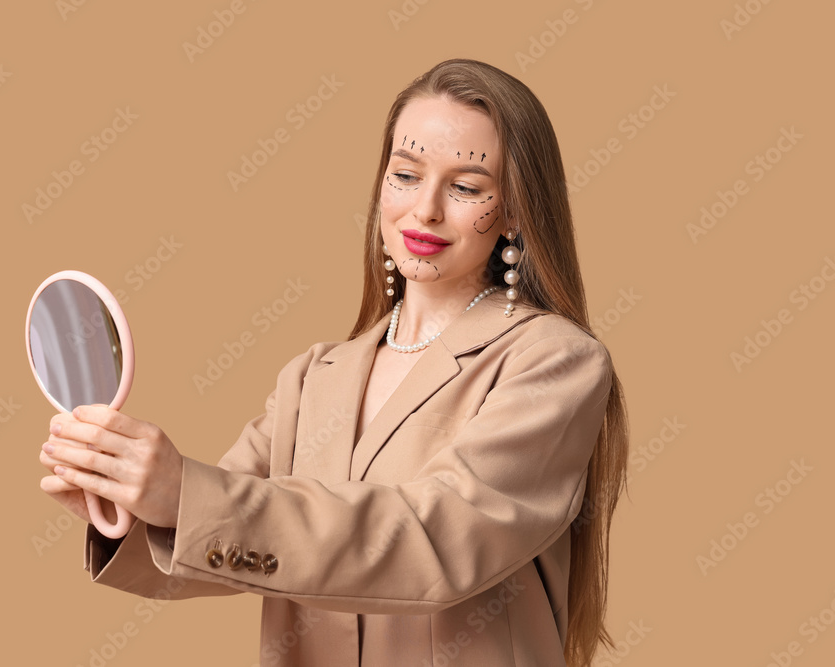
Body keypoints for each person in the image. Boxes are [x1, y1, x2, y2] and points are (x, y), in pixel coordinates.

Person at [39, 58, 630, 667]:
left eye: (466, 187)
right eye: (406, 175)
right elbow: (230, 539)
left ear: (515, 210)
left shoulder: (553, 361)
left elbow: (438, 540)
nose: (425, 209)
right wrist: (131, 507)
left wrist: (185, 491)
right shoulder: (313, 376)